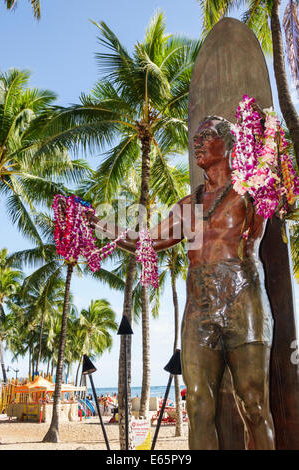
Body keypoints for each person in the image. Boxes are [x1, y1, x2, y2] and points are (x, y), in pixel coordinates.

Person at [86, 116, 275, 450]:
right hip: (199, 309)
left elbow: (280, 205)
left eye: (206, 135)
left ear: (228, 142)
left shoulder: (250, 192)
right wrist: (99, 225)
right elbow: (145, 241)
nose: (197, 142)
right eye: (195, 137)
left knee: (254, 404)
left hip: (243, 300)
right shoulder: (188, 207)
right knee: (198, 404)